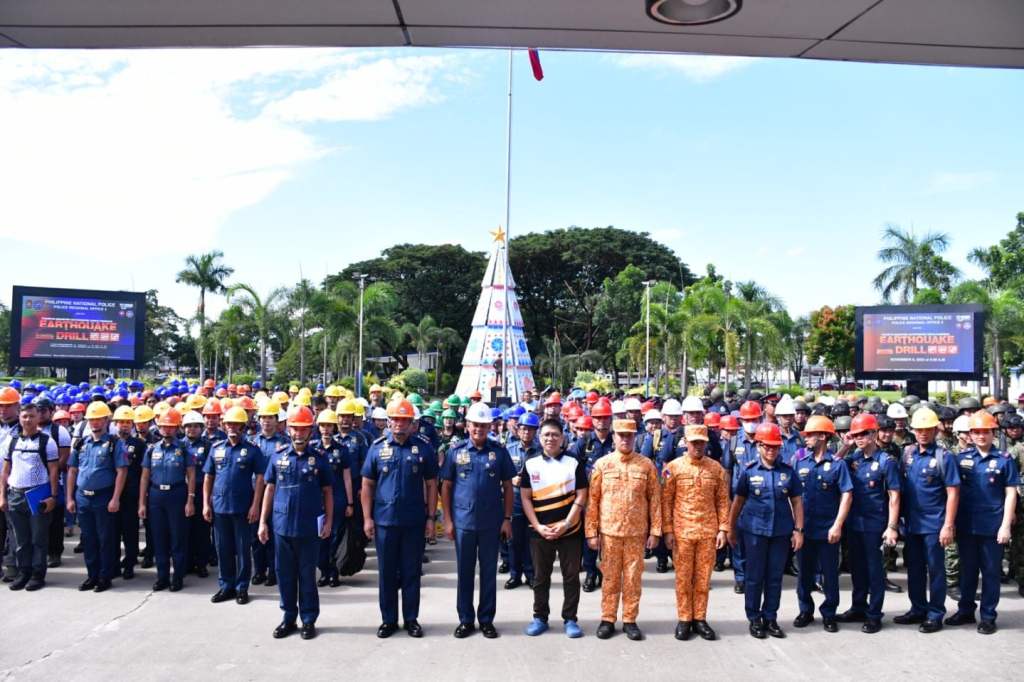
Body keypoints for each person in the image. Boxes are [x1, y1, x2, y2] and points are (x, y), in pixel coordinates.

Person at [362, 399, 438, 639]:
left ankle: (411, 619)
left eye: (404, 420)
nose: (399, 424)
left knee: (411, 571)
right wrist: (367, 518)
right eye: (395, 419)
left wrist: (430, 518)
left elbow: (431, 484)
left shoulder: (424, 448)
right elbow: (367, 484)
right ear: (388, 422)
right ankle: (388, 620)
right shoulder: (377, 448)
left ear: (412, 423)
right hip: (384, 521)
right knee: (386, 573)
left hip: (414, 521)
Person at [441, 402, 515, 639]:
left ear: (489, 426)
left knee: (488, 573)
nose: (479, 429)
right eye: (475, 425)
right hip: (463, 523)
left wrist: (506, 519)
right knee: (464, 573)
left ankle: (486, 620)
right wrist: (448, 521)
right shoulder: (456, 451)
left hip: (491, 523)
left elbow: (508, 486)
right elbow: (447, 486)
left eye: (483, 425)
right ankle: (465, 619)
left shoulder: (499, 451)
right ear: (468, 425)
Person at [258, 406, 333, 640]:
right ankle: (288, 617)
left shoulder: (319, 460)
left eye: (303, 429)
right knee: (285, 574)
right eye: (295, 428)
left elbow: (328, 492)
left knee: (306, 575)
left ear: (310, 431)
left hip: (309, 528)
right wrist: (262, 522)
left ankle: (308, 619)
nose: (298, 433)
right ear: (288, 429)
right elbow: (269, 489)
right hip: (282, 527)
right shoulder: (278, 456)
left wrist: (329, 521)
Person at [585, 418, 661, 641]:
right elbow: (593, 500)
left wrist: (656, 531)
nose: (625, 439)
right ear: (614, 437)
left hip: (637, 533)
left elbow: (655, 500)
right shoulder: (602, 464)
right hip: (609, 533)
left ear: (635, 437)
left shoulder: (646, 465)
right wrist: (591, 531)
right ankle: (608, 618)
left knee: (632, 578)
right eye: (621, 435)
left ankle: (629, 619)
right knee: (609, 578)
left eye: (629, 435)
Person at [727, 422, 804, 639]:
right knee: (754, 577)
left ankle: (770, 617)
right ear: (759, 446)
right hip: (753, 532)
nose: (771, 451)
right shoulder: (749, 471)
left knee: (774, 577)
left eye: (775, 447)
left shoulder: (787, 472)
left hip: (780, 533)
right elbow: (738, 502)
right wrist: (731, 528)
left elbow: (797, 501)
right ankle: (754, 618)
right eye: (767, 446)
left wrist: (799, 530)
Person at [945, 411, 1019, 634]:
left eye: (985, 431)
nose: (980, 436)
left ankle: (988, 616)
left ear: (993, 433)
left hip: (992, 526)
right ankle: (966, 610)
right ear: (969, 435)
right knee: (967, 571)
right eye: (975, 432)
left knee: (990, 572)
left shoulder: (1004, 460)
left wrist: (1006, 525)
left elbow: (1011, 494)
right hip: (967, 525)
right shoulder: (961, 459)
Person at [519, 418, 588, 638]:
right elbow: (526, 498)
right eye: (546, 434)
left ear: (563, 438)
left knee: (571, 577)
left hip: (570, 530)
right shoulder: (530, 463)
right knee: (541, 577)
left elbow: (582, 494)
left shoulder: (573, 462)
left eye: (555, 435)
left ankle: (570, 619)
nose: (550, 438)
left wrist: (567, 523)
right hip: (540, 531)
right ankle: (540, 617)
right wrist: (538, 526)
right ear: (540, 438)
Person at [893, 407, 960, 634]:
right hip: (912, 524)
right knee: (914, 570)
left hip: (935, 524)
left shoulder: (944, 457)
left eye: (927, 429)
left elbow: (953, 492)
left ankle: (935, 613)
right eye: (919, 429)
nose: (923, 433)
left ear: (935, 430)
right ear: (913, 430)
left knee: (936, 570)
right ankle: (917, 608)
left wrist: (948, 525)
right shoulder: (908, 454)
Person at [661, 425, 730, 641]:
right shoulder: (672, 468)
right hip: (682, 533)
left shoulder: (716, 469)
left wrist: (723, 529)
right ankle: (684, 618)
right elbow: (665, 501)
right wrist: (668, 531)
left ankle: (700, 618)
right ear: (686, 443)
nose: (698, 446)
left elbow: (722, 501)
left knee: (702, 579)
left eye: (701, 442)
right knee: (683, 579)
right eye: (694, 442)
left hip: (708, 532)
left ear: (706, 443)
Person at [793, 415, 853, 632]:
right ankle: (805, 610)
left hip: (828, 530)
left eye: (810, 435)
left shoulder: (837, 465)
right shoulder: (798, 462)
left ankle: (829, 613)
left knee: (830, 574)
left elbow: (847, 495)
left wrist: (837, 525)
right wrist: (795, 527)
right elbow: (793, 497)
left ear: (822, 436)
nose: (806, 439)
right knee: (804, 573)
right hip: (805, 529)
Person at [203, 406, 266, 605]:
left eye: (236, 424)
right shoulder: (216, 448)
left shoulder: (252, 450)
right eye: (229, 424)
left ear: (243, 427)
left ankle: (241, 587)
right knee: (223, 549)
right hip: (220, 507)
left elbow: (260, 478)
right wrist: (206, 503)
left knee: (242, 549)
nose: (232, 428)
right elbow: (208, 476)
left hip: (242, 507)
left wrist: (256, 505)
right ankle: (226, 586)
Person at [67, 402, 129, 592]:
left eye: (98, 419)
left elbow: (122, 471)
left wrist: (115, 498)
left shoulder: (114, 443)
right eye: (91, 419)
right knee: (89, 538)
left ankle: (105, 576)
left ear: (106, 420)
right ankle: (91, 575)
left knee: (106, 538)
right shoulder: (80, 443)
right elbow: (72, 471)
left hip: (104, 497)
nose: (94, 423)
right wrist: (70, 498)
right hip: (83, 497)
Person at [0, 401, 60, 591]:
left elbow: (53, 471)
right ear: (20, 417)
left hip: (37, 496)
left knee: (38, 539)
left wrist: (52, 496)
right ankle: (23, 572)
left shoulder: (47, 441)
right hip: (15, 494)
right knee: (20, 539)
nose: (28, 420)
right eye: (24, 416)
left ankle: (37, 574)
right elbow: (6, 470)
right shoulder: (13, 440)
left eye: (31, 416)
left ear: (37, 418)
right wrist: (2, 496)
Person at [138, 408, 195, 592]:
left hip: (177, 494)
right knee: (159, 537)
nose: (167, 430)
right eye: (164, 426)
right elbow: (145, 477)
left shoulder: (184, 449)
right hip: (156, 496)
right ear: (159, 427)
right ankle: (162, 576)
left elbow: (191, 475)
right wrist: (142, 503)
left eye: (171, 426)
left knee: (177, 537)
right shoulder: (152, 449)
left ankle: (177, 577)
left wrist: (190, 500)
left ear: (177, 427)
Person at [310, 408, 353, 588]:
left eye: (329, 426)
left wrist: (350, 502)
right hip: (316, 501)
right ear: (318, 427)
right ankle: (323, 571)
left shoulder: (342, 450)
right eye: (323, 426)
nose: (326, 429)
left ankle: (334, 572)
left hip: (337, 499)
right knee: (320, 537)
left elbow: (347, 477)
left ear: (334, 427)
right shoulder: (312, 448)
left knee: (335, 536)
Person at [505, 412, 540, 590]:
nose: (527, 432)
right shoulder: (508, 449)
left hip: (535, 502)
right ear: (518, 430)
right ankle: (514, 575)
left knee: (531, 540)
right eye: (524, 429)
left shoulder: (541, 452)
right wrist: (511, 480)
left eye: (531, 429)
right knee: (513, 540)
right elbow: (501, 474)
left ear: (535, 432)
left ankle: (531, 575)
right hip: (515, 501)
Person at [182, 410, 213, 577]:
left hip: (202, 491)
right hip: (183, 492)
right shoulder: (180, 445)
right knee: (184, 529)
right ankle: (187, 562)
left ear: (201, 428)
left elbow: (212, 473)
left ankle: (202, 563)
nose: (192, 429)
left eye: (195, 426)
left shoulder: (208, 446)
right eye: (188, 426)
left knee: (201, 530)